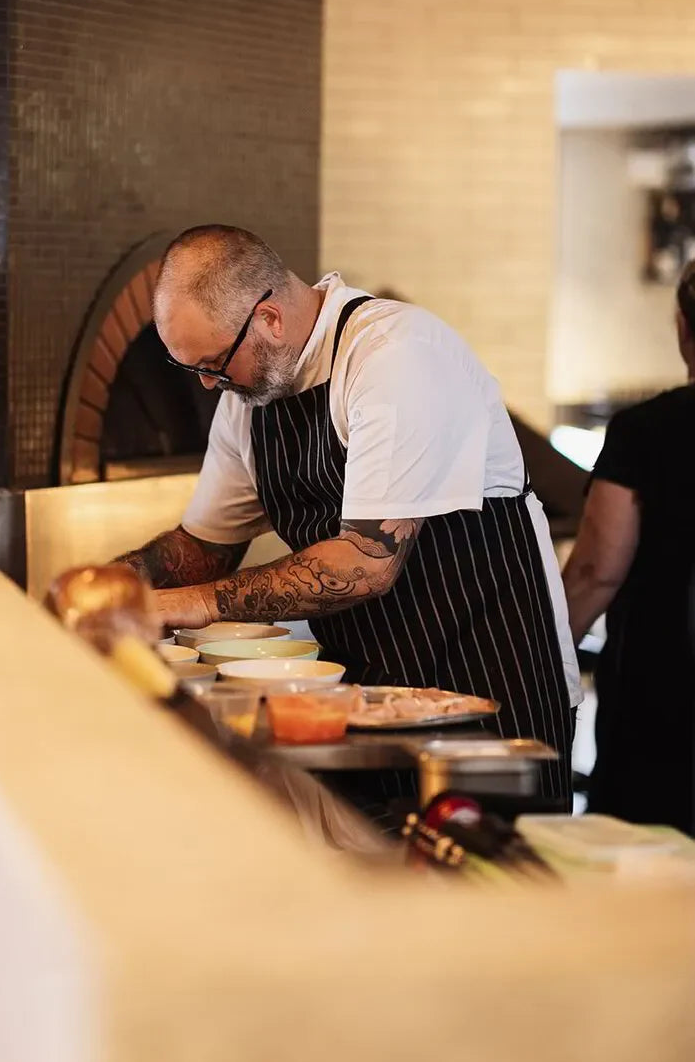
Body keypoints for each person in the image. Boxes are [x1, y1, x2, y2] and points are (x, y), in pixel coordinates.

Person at [117, 224, 581, 817]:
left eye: (215, 364)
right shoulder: (248, 400)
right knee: (376, 865)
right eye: (195, 370)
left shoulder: (395, 355)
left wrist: (192, 604)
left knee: (483, 868)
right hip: (366, 685)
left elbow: (365, 562)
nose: (209, 386)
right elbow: (205, 547)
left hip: (487, 679)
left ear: (269, 319)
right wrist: (114, 585)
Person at [562, 260, 695, 834]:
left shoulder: (648, 430)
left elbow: (596, 571)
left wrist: (535, 663)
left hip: (665, 696)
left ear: (683, 326)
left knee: (644, 857)